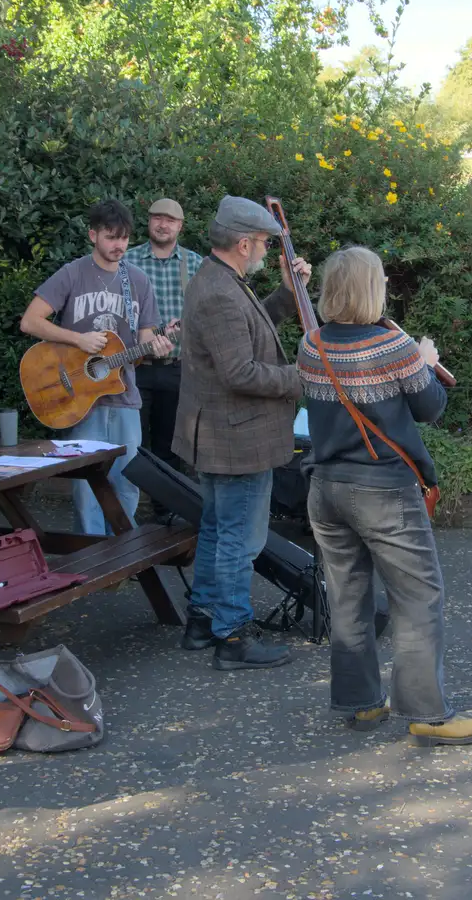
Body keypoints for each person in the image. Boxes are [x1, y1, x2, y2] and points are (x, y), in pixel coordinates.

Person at [298, 246, 472, 746]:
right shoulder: (394, 347)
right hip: (383, 490)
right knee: (418, 597)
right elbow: (430, 407)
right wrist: (425, 361)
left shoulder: (310, 344)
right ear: (371, 288)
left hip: (325, 488)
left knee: (347, 597)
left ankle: (360, 703)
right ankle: (427, 712)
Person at [173, 195, 312, 669]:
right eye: (261, 245)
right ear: (243, 242)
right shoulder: (218, 291)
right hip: (236, 438)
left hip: (225, 434)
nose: (263, 253)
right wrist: (300, 378)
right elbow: (241, 372)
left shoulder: (221, 281)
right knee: (239, 539)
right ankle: (231, 636)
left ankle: (202, 622)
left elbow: (254, 329)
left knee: (217, 530)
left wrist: (289, 292)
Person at [20, 199, 173, 534]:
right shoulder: (73, 273)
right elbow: (30, 321)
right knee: (86, 486)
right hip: (78, 398)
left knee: (127, 479)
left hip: (124, 395)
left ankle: (123, 552)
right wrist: (78, 340)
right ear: (93, 235)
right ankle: (88, 555)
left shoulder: (138, 281)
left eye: (124, 238)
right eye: (110, 237)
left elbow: (143, 342)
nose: (118, 245)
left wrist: (156, 346)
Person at [124, 198, 206, 495]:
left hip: (176, 369)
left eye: (170, 220)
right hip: (133, 368)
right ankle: (126, 512)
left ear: (180, 226)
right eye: (157, 218)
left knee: (170, 448)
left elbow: (206, 314)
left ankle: (165, 514)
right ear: (149, 222)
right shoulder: (127, 261)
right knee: (130, 444)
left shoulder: (194, 263)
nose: (163, 224)